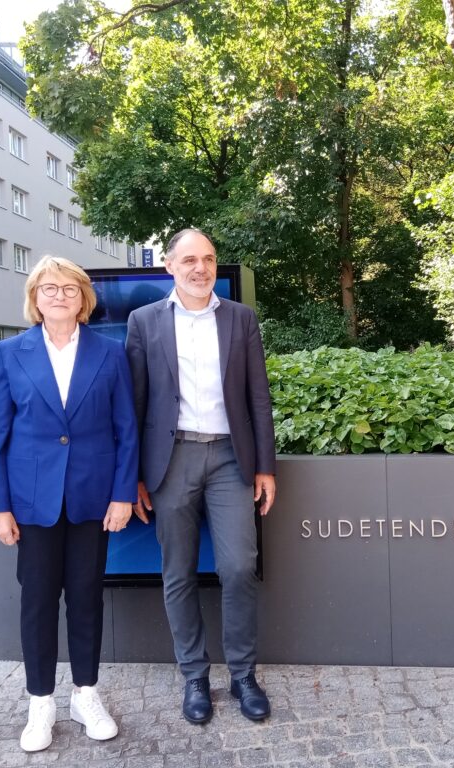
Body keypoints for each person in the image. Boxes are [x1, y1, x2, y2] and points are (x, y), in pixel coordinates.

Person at [0, 256, 139, 752]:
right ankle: (40, 702)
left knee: (87, 598)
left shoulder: (111, 353)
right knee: (37, 601)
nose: (59, 296)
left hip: (93, 499)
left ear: (84, 298)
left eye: (69, 288)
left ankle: (85, 694)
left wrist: (121, 494)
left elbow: (126, 430)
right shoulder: (9, 354)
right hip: (32, 502)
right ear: (34, 298)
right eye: (48, 288)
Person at [125, 228, 276, 724]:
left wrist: (264, 467)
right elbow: (135, 405)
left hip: (232, 459)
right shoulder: (143, 321)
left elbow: (258, 398)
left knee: (238, 567)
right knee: (178, 572)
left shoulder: (240, 319)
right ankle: (194, 675)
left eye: (209, 258)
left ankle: (242, 675)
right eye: (189, 259)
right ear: (169, 266)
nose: (200, 267)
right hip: (171, 461)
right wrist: (135, 477)